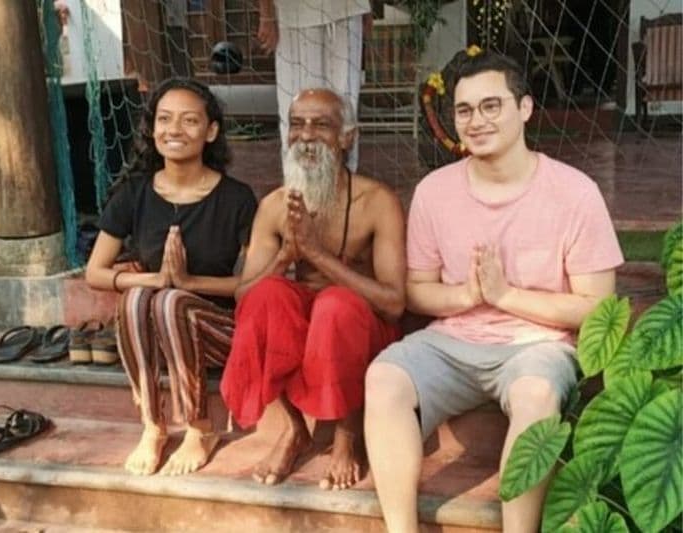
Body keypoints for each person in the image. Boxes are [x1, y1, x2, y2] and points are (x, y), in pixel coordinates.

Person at [364, 51, 624, 532]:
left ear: (524, 108)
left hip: (539, 344)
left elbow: (596, 308)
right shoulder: (435, 191)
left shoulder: (575, 192)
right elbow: (417, 292)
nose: (476, 121)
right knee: (385, 378)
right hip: (452, 341)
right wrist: (468, 295)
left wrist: (505, 296)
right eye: (464, 110)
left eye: (491, 106)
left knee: (536, 395)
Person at [219, 87, 406, 490]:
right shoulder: (275, 205)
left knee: (335, 305)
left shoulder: (377, 202)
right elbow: (243, 296)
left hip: (360, 325)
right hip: (309, 325)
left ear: (347, 137)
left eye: (321, 125)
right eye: (297, 124)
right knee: (266, 296)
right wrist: (286, 256)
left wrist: (317, 255)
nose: (306, 136)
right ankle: (294, 428)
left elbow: (393, 304)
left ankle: (346, 435)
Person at [86, 78, 257, 476]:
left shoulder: (237, 198)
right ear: (152, 129)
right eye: (164, 119)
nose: (174, 130)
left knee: (170, 301)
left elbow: (251, 284)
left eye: (189, 120)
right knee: (139, 298)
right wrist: (154, 279)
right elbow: (95, 272)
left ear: (210, 131)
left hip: (219, 332)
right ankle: (153, 425)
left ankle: (199, 427)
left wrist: (187, 283)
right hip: (154, 338)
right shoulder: (134, 193)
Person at [256, 0, 372, 171]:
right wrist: (267, 15)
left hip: (347, 8)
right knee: (298, 106)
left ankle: (344, 179)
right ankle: (297, 180)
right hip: (295, 15)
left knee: (344, 109)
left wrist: (366, 8)